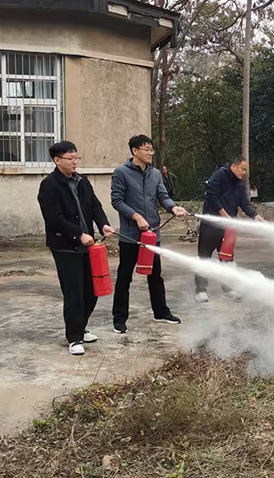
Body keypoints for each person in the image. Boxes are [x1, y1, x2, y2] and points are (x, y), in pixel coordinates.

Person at [37, 141, 115, 355]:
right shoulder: (49, 185)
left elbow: (95, 206)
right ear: (57, 160)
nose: (75, 162)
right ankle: (74, 338)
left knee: (92, 290)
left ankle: (81, 326)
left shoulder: (82, 181)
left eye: (76, 157)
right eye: (70, 158)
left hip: (88, 245)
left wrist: (103, 224)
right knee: (74, 292)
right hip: (64, 246)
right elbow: (54, 218)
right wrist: (78, 234)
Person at [110, 134, 189, 333]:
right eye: (146, 149)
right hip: (130, 235)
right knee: (125, 277)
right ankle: (119, 319)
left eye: (151, 149)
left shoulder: (155, 174)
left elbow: (163, 196)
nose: (150, 153)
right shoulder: (121, 173)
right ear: (135, 151)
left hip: (152, 234)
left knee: (155, 276)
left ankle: (161, 312)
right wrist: (136, 217)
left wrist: (173, 207)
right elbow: (117, 201)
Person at [195, 156, 265, 303]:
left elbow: (244, 203)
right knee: (204, 257)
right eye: (242, 169)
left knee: (227, 258)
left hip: (228, 228)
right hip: (211, 224)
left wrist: (255, 215)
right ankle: (200, 289)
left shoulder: (240, 184)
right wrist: (225, 216)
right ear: (233, 166)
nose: (244, 172)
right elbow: (212, 196)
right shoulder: (220, 175)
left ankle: (227, 288)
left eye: (245, 170)